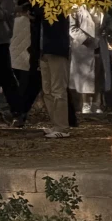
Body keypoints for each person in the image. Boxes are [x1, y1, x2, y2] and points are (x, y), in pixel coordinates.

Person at [70, 6, 112, 116]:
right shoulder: (76, 7)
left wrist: (107, 30)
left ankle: (95, 104)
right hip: (84, 47)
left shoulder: (102, 6)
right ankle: (85, 104)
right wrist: (85, 39)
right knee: (85, 76)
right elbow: (71, 28)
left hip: (100, 46)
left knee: (99, 75)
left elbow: (109, 24)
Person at [37, 8, 71, 138]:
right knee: (47, 91)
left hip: (56, 49)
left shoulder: (59, 4)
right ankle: (56, 125)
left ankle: (63, 127)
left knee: (58, 90)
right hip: (43, 50)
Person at [9, 0, 41, 122]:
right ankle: (20, 113)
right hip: (27, 59)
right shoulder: (34, 24)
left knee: (21, 88)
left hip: (15, 59)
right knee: (31, 87)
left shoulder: (13, 22)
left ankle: (18, 113)